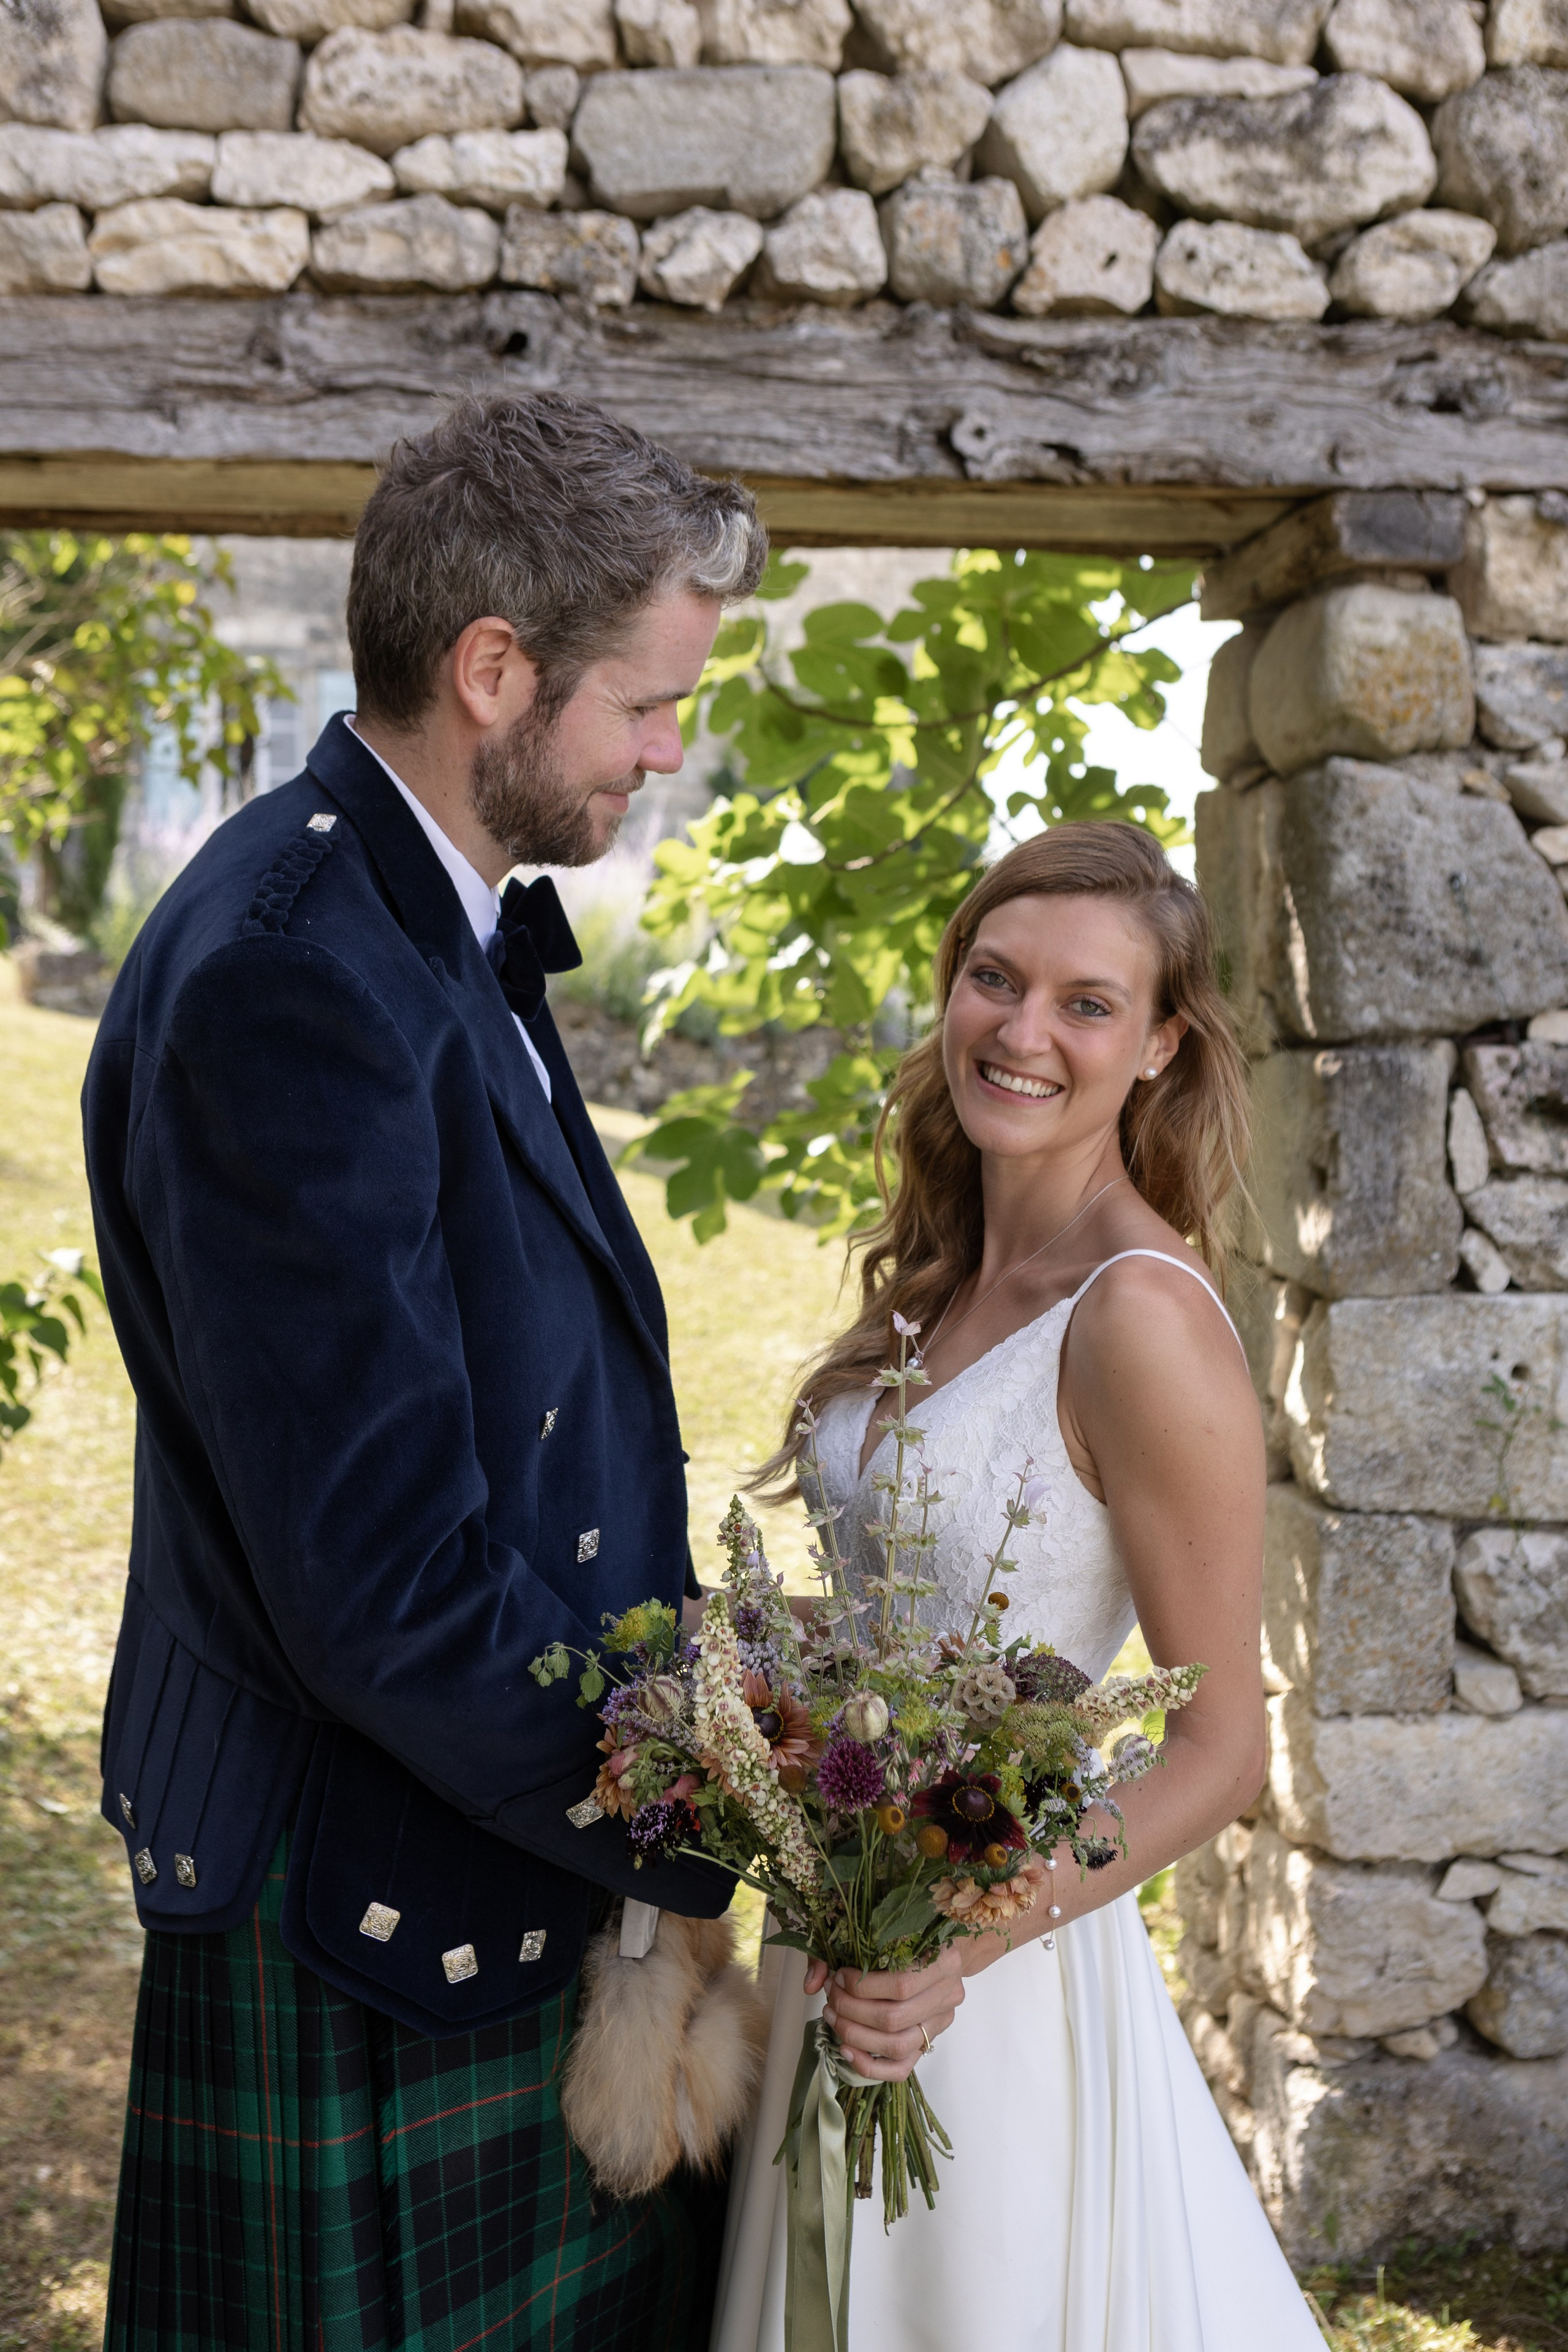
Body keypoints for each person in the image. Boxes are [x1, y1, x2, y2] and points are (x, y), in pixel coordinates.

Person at [84, 391, 768, 2351]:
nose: (665, 744)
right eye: (646, 703)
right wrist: (700, 1813)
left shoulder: (424, 919)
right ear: (494, 672)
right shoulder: (298, 970)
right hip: (376, 1899)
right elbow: (378, 1582)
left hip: (482, 1845)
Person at [713, 823, 1325, 2352]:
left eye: (1085, 1003)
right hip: (837, 1927)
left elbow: (1216, 1750)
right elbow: (899, 1619)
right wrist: (745, 1677)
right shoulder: (939, 1274)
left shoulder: (1140, 1321)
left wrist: (952, 1948)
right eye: (993, 979)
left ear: (1160, 1045)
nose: (1022, 1030)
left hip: (986, 1976)